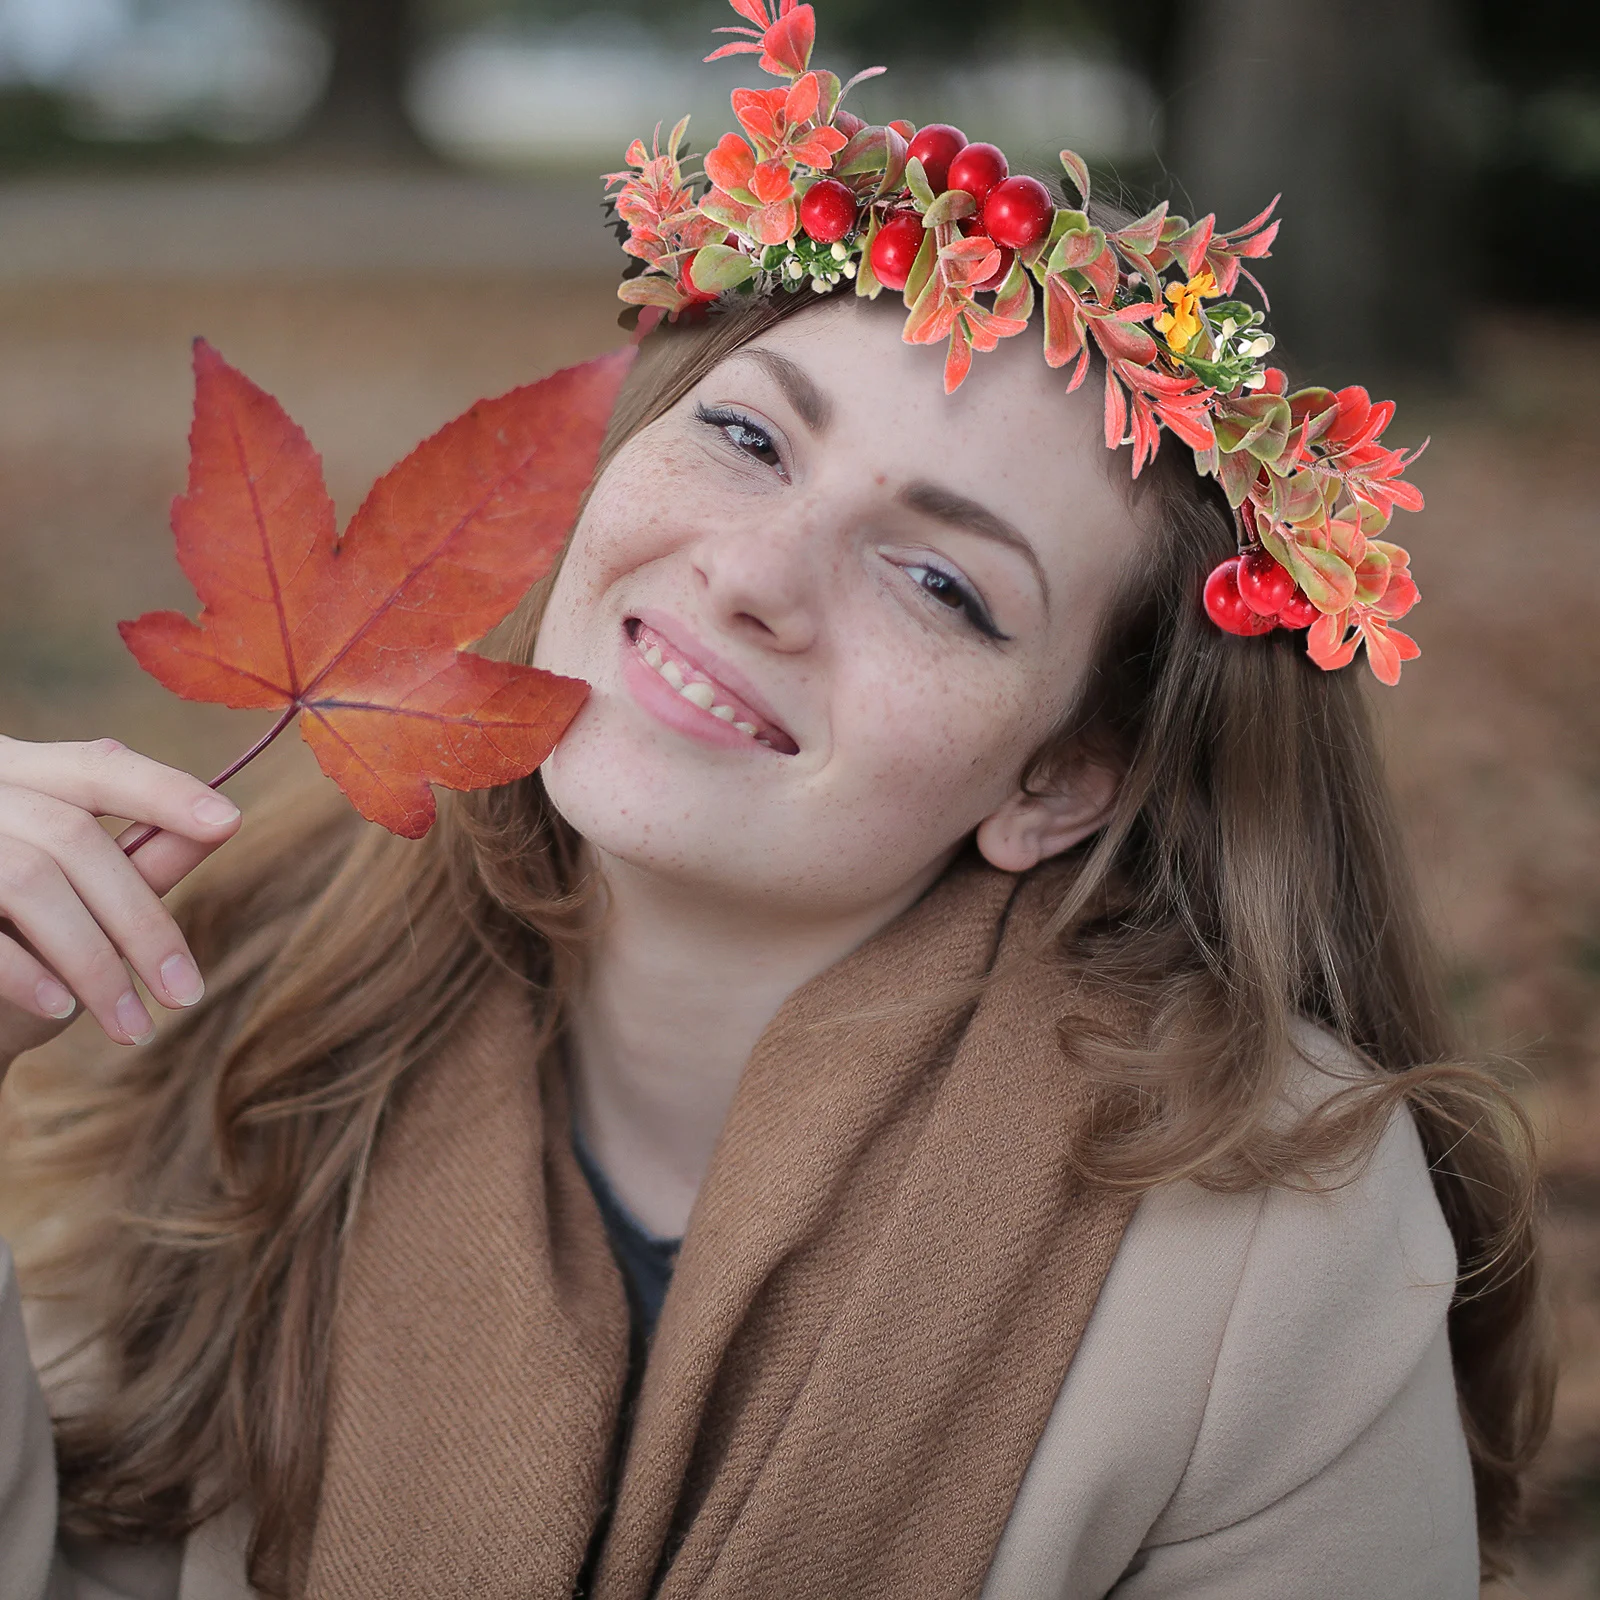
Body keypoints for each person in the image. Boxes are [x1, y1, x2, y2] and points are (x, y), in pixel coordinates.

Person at [0, 7, 1554, 1598]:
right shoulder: (230, 982)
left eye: (942, 583)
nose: (751, 578)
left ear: (1059, 782)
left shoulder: (1261, 1251)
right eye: (747, 437)